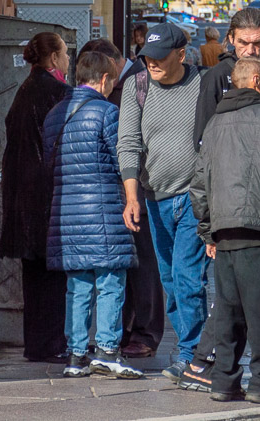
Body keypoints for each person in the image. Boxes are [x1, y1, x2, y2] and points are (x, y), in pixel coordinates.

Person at [178, 8, 260, 395]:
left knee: (238, 302)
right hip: (252, 212)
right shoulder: (220, 79)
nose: (251, 49)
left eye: (258, 43)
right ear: (230, 41)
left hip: (234, 214)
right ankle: (257, 377)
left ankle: (221, 373)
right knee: (255, 304)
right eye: (244, 43)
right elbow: (204, 153)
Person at [190, 58, 260, 405]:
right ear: (255, 81)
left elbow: (199, 184)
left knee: (227, 311)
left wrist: (208, 232)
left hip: (225, 233)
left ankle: (224, 381)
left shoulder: (214, 124)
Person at [43, 51, 144, 380]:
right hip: (103, 211)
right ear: (104, 80)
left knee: (78, 285)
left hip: (67, 215)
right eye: (112, 80)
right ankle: (107, 351)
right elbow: (122, 162)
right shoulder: (107, 112)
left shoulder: (55, 115)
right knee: (112, 281)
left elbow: (49, 165)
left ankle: (75, 355)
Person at [117, 23, 208, 380]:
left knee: (188, 278)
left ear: (181, 55)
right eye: (147, 57)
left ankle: (193, 354)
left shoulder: (203, 85)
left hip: (194, 196)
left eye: (159, 57)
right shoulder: (137, 87)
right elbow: (128, 144)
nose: (151, 63)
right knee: (170, 280)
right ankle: (195, 348)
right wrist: (131, 197)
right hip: (154, 198)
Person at [80, 38, 165, 360]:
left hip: (141, 186)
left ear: (112, 63)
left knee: (144, 263)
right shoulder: (122, 83)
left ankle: (145, 332)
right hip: (120, 187)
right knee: (129, 264)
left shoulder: (139, 82)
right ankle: (128, 330)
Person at [0, 32, 72, 362]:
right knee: (52, 278)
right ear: (54, 59)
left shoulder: (24, 90)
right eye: (66, 54)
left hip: (23, 198)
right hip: (48, 198)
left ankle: (37, 344)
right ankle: (50, 345)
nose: (68, 60)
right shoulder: (57, 93)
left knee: (34, 277)